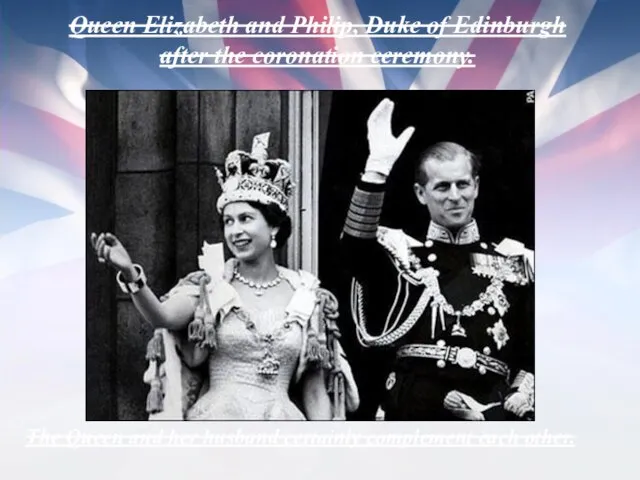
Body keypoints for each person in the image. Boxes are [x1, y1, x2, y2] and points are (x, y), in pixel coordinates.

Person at [91, 132, 359, 420]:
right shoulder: (212, 285)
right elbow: (162, 316)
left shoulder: (305, 295)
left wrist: (330, 453)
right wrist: (130, 272)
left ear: (274, 228)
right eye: (228, 221)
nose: (235, 231)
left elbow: (315, 391)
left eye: (246, 219)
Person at [341, 99, 534, 421]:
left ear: (476, 187)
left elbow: (537, 343)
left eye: (462, 184)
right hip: (413, 409)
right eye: (442, 186)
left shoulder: (514, 262)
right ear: (421, 193)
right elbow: (354, 252)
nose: (454, 196)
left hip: (490, 414)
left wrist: (521, 393)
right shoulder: (403, 256)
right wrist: (376, 170)